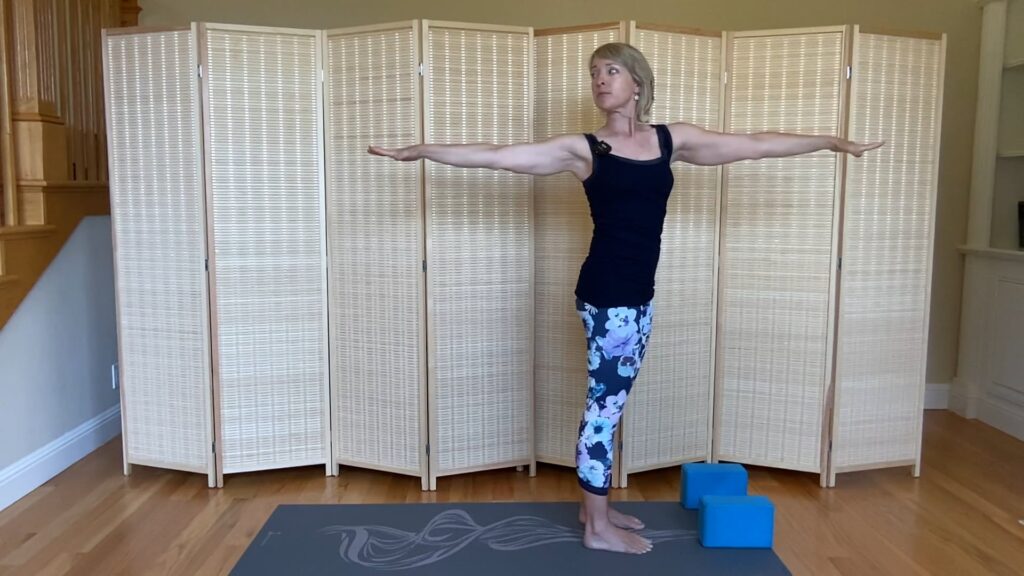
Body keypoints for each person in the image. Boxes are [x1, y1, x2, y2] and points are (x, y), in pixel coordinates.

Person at [369, 42, 883, 555]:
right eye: (594, 72)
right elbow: (498, 156)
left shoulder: (670, 140)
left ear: (637, 82)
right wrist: (420, 150)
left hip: (637, 294)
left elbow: (754, 144)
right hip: (608, 295)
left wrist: (830, 141)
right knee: (604, 408)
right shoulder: (586, 149)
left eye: (610, 70)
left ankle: (595, 508)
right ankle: (596, 528)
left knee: (610, 401)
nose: (599, 80)